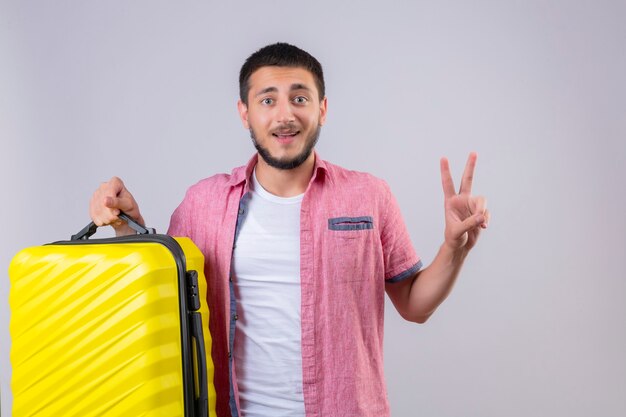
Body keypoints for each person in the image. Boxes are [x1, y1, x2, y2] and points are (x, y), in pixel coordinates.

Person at [89, 42, 489, 417]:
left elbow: (414, 305)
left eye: (300, 98)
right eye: (268, 100)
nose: (285, 115)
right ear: (245, 112)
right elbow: (167, 302)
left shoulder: (369, 196)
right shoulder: (202, 203)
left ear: (323, 109)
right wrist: (128, 226)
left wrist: (454, 248)